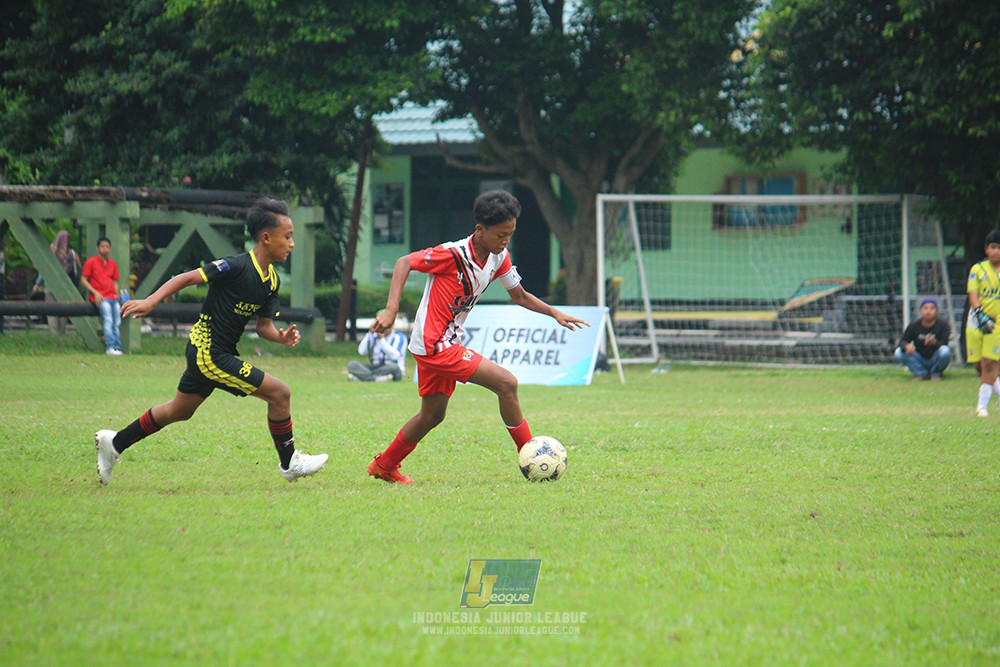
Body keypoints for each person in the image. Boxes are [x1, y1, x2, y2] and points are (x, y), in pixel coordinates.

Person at [95, 197, 328, 484]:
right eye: (288, 237)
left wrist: (280, 337)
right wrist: (151, 301)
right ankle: (290, 462)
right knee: (280, 393)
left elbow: (264, 326)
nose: (291, 244)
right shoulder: (234, 266)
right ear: (267, 238)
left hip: (216, 352)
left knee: (180, 410)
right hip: (208, 351)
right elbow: (187, 278)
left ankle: (114, 443)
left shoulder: (271, 281)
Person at [366, 189, 591, 484]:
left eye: (510, 234)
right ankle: (533, 456)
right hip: (434, 344)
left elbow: (519, 296)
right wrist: (391, 309)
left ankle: (384, 465)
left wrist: (554, 313)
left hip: (445, 342)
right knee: (507, 383)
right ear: (480, 230)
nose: (505, 241)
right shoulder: (453, 255)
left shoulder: (499, 257)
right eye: (500, 235)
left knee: (432, 415)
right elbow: (404, 263)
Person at [966, 229, 1000, 416]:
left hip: (997, 324)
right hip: (976, 321)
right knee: (979, 365)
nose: (996, 252)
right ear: (987, 249)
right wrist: (980, 314)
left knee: (989, 363)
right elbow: (973, 294)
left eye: (999, 248)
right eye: (993, 247)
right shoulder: (978, 269)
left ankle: (982, 407)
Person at [31, 230, 82, 335]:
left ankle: (54, 332)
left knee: (51, 310)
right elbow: (79, 269)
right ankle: (62, 331)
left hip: (49, 285)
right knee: (64, 309)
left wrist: (37, 283)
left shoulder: (51, 252)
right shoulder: (72, 254)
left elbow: (44, 270)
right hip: (66, 287)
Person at [80, 236, 123, 355]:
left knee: (116, 321)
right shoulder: (91, 262)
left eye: (107, 247)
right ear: (97, 248)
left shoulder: (112, 263)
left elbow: (115, 281)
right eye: (102, 246)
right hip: (101, 297)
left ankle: (117, 347)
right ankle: (110, 347)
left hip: (112, 297)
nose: (105, 249)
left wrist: (117, 295)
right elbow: (84, 280)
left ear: (110, 248)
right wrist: (95, 293)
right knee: (108, 319)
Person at [894, 298, 951, 380]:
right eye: (925, 308)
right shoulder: (914, 325)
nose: (928, 311)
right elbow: (902, 341)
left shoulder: (943, 325)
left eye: (932, 308)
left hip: (935, 357)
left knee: (945, 351)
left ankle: (935, 373)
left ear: (937, 311)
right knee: (899, 352)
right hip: (919, 357)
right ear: (921, 310)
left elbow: (945, 343)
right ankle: (921, 373)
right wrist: (906, 346)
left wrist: (934, 342)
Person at [348, 313, 408, 382]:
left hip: (390, 368)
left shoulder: (399, 337)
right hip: (375, 367)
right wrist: (370, 334)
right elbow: (361, 352)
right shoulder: (373, 336)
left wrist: (381, 340)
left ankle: (363, 377)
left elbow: (396, 356)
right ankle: (377, 379)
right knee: (352, 364)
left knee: (394, 368)